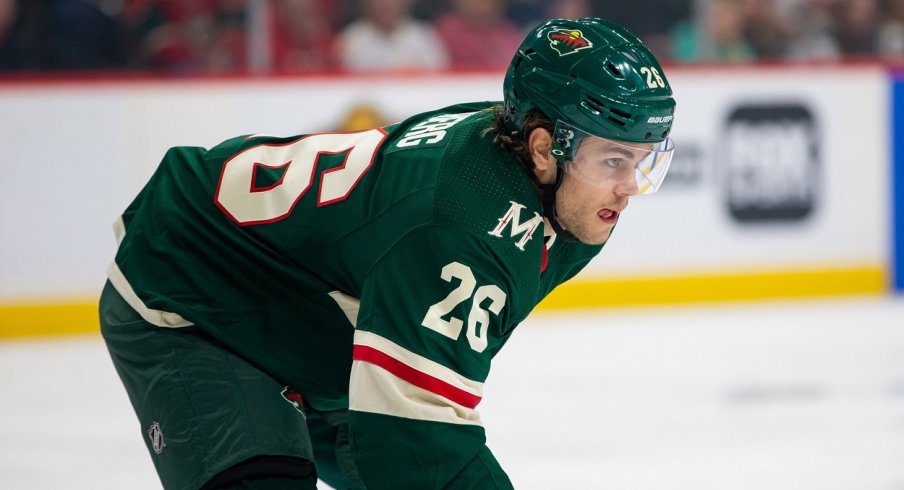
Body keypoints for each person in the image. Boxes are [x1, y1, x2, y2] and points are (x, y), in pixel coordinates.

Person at [99, 17, 676, 490]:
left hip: (309, 316)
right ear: (545, 147)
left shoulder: (558, 190)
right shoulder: (462, 230)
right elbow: (417, 440)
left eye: (643, 161)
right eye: (613, 160)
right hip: (190, 284)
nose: (629, 187)